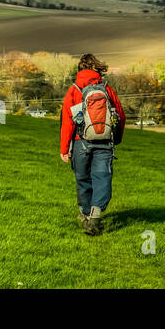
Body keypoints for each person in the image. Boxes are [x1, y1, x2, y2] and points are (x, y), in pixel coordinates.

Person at [59, 53, 125, 235]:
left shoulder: (74, 90)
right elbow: (120, 115)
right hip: (104, 141)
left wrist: (64, 148)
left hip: (81, 142)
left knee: (83, 178)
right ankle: (95, 216)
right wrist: (117, 138)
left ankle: (85, 214)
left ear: (80, 70)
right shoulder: (106, 89)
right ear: (97, 69)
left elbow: (67, 121)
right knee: (102, 177)